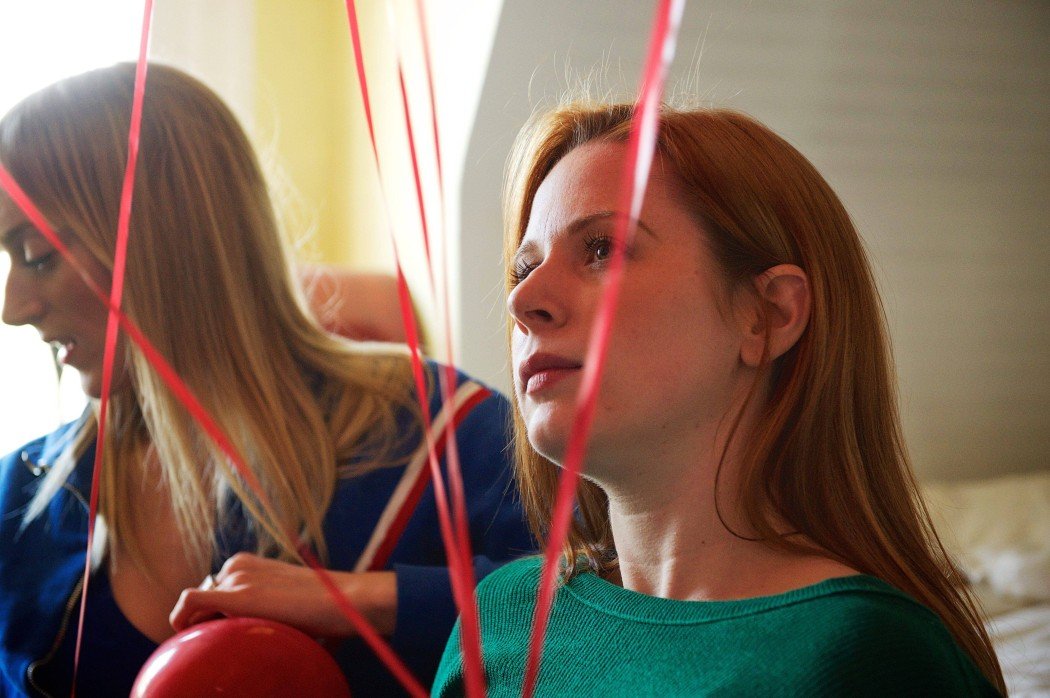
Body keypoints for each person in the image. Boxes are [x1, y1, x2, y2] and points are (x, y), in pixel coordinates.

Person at [433, 103, 1005, 696]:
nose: (523, 301)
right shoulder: (504, 617)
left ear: (766, 316)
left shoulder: (865, 656)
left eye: (602, 248)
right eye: (524, 267)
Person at [0, 62, 532, 697]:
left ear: (162, 237)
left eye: (37, 256)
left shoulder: (442, 431)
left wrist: (361, 599)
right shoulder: (20, 498)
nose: (13, 306)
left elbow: (611, 610)